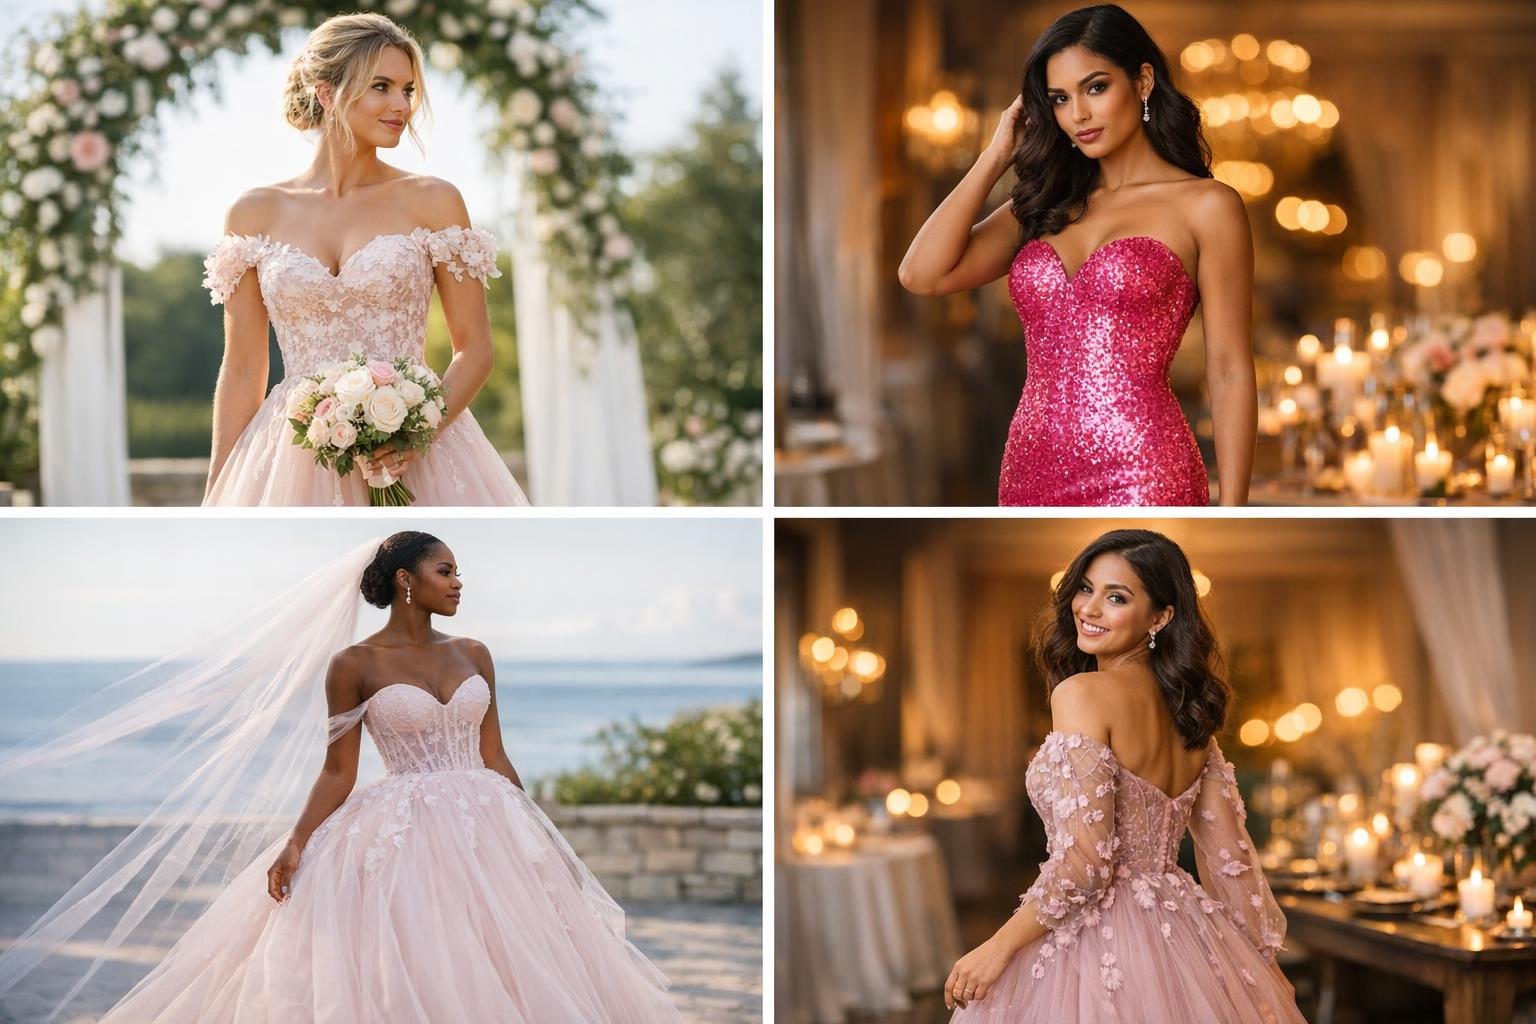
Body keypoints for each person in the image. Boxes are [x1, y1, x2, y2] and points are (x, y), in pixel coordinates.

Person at [0, 533, 681, 1022]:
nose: (459, 582)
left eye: (459, 571)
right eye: (446, 570)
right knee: (424, 961)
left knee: (517, 958)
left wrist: (537, 832)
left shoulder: (475, 652)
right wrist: (296, 841)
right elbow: (338, 769)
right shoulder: (352, 664)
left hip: (490, 824)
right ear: (408, 581)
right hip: (406, 831)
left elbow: (496, 754)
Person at [899, 4, 1256, 507]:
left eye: (1095, 87)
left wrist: (1232, 510)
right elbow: (921, 274)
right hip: (1029, 468)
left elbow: (1229, 369)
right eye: (1060, 99)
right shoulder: (1043, 205)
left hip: (1144, 467)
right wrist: (995, 153)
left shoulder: (1207, 206)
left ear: (1144, 81)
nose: (1078, 115)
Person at [945, 529, 1303, 1022]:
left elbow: (1086, 863)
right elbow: (1231, 860)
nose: (1088, 608)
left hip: (1099, 939)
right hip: (1186, 934)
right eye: (1085, 588)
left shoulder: (1081, 694)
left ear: (1161, 616)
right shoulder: (1191, 715)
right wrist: (1260, 966)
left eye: (1116, 597)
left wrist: (998, 946)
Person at [201, 12, 530, 506]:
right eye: (382, 87)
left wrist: (415, 436)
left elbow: (475, 349)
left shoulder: (433, 201)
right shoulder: (254, 212)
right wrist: (217, 493)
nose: (402, 106)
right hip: (290, 456)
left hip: (420, 451)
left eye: (409, 90)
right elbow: (245, 369)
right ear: (327, 92)